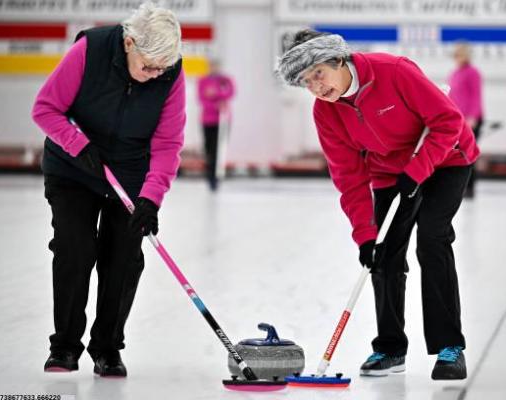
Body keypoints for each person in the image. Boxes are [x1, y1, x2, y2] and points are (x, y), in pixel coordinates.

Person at [277, 30, 479, 380]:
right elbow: (349, 176)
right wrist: (365, 234)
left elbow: (448, 122)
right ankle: (389, 347)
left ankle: (449, 347)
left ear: (338, 60)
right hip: (390, 173)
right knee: (382, 254)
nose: (317, 88)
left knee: (432, 238)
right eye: (307, 82)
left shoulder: (393, 71)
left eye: (319, 75)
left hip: (446, 159)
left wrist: (417, 170)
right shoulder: (326, 112)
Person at [31, 2, 186, 377]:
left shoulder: (169, 74)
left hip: (131, 174)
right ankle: (65, 347)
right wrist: (76, 144)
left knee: (124, 258)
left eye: (161, 69)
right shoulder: (90, 50)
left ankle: (108, 349)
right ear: (130, 43)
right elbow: (45, 108)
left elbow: (167, 144)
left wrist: (150, 200)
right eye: (148, 66)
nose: (154, 76)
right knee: (75, 249)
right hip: (74, 167)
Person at [448, 42, 483, 198]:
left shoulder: (473, 72)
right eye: (456, 54)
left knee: (469, 152)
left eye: (461, 54)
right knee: (458, 153)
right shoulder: (455, 73)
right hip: (457, 119)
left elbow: (476, 96)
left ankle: (470, 187)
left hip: (470, 119)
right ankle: (460, 187)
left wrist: (473, 117)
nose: (458, 57)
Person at [197, 59, 235, 191]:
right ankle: (210, 176)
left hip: (223, 121)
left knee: (219, 150)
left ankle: (217, 177)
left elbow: (230, 93)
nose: (214, 68)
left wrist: (214, 93)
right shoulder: (203, 81)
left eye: (216, 65)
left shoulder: (226, 80)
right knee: (209, 150)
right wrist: (217, 103)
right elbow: (202, 99)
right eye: (212, 66)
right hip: (208, 120)